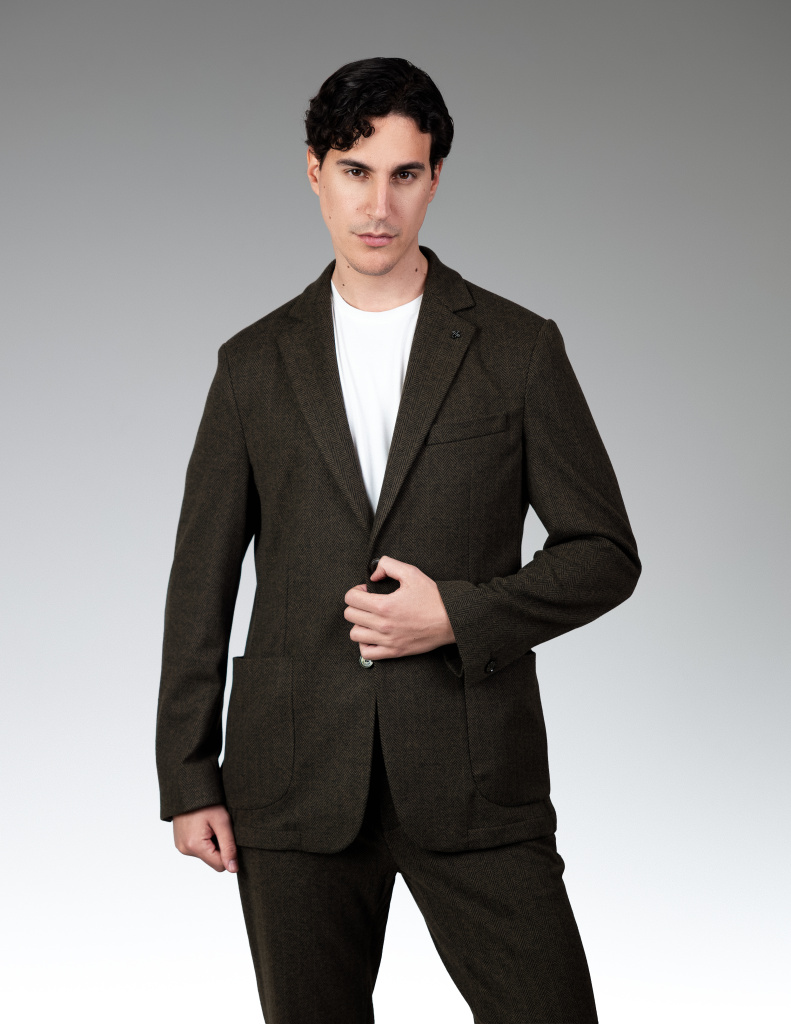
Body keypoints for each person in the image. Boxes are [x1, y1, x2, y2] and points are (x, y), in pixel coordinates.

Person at [155, 57, 641, 1024]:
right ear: (314, 172)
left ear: (435, 178)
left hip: (474, 769)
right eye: (354, 171)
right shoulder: (252, 364)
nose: (378, 206)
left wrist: (456, 614)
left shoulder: (516, 347)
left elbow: (603, 552)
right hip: (292, 773)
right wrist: (187, 777)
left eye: (404, 174)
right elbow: (199, 582)